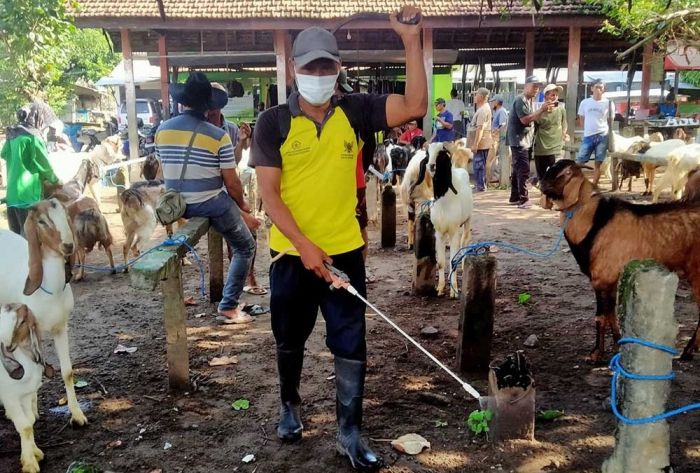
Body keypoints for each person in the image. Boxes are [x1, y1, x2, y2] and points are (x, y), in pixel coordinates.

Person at [250, 7, 427, 471]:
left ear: (338, 69)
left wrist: (411, 41)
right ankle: (290, 406)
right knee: (289, 336)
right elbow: (270, 196)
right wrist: (305, 246)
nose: (319, 74)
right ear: (295, 70)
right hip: (291, 255)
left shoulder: (356, 110)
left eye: (327, 66)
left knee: (351, 342)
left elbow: (414, 107)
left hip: (345, 253)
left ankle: (349, 433)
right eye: (311, 67)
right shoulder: (273, 123)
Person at [156, 72, 260, 324]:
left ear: (182, 102)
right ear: (209, 105)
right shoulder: (217, 135)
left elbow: (163, 169)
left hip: (176, 203)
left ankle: (228, 299)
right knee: (246, 246)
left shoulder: (162, 130)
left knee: (237, 222)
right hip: (210, 202)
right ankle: (229, 305)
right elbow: (232, 182)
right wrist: (244, 206)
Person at [1, 102, 61, 235]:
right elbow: (44, 164)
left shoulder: (12, 135)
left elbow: (3, 154)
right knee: (31, 241)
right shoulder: (33, 137)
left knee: (16, 239)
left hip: (12, 197)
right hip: (29, 198)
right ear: (37, 118)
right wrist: (56, 180)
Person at [507, 75, 551, 209]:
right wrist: (541, 110)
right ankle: (523, 198)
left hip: (523, 140)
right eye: (534, 86)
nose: (536, 89)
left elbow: (532, 119)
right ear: (526, 86)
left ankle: (514, 196)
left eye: (538, 87)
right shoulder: (521, 100)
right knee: (524, 169)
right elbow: (525, 120)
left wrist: (541, 112)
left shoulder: (529, 100)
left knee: (517, 169)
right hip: (519, 140)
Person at [576, 79, 614, 188]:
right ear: (592, 88)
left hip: (602, 135)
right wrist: (587, 129)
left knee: (598, 163)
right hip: (588, 136)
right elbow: (581, 118)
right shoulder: (585, 102)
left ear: (604, 90)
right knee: (580, 162)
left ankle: (593, 186)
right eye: (597, 87)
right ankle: (580, 183)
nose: (599, 90)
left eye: (601, 88)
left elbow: (610, 120)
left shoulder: (608, 103)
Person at [533, 84, 568, 183]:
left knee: (557, 175)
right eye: (552, 94)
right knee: (542, 177)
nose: (555, 96)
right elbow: (533, 124)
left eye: (556, 94)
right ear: (545, 96)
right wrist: (541, 111)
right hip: (541, 147)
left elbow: (564, 123)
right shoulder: (539, 110)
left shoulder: (561, 109)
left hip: (556, 147)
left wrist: (564, 133)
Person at [467, 87, 493, 192]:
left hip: (481, 142)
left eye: (476, 95)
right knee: (478, 164)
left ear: (481, 97)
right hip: (482, 141)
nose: (474, 97)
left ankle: (481, 186)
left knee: (479, 165)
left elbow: (480, 129)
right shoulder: (483, 108)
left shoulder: (483, 110)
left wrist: (475, 144)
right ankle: (479, 184)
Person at [487, 94, 508, 183]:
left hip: (498, 139)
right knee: (495, 159)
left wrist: (494, 132)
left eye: (492, 102)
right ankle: (496, 177)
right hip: (496, 139)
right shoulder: (498, 112)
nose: (491, 104)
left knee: (492, 159)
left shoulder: (501, 111)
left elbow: (503, 126)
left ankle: (496, 177)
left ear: (496, 102)